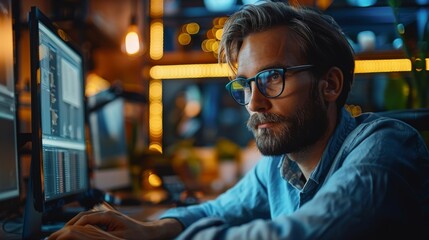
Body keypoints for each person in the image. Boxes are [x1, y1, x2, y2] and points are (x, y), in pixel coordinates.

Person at [48, 1, 429, 239]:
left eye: (272, 78)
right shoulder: (281, 166)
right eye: (245, 85)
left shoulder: (384, 146)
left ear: (329, 84)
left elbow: (300, 233)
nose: (253, 103)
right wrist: (153, 229)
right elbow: (217, 210)